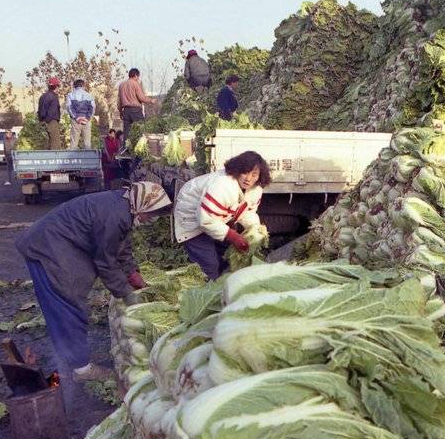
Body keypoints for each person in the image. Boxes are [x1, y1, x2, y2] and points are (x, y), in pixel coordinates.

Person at [15, 182, 171, 381]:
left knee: (69, 303)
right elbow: (105, 261)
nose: (151, 219)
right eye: (151, 214)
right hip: (48, 249)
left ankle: (74, 357)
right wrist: (127, 294)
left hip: (58, 243)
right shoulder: (116, 214)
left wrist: (132, 273)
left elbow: (120, 245)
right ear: (142, 205)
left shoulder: (124, 205)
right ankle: (82, 369)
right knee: (66, 304)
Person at [174, 150, 271, 280]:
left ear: (260, 176)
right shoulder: (223, 185)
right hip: (192, 217)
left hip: (213, 216)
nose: (249, 179)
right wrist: (232, 235)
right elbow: (206, 220)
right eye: (245, 172)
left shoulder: (256, 189)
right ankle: (206, 292)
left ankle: (221, 283)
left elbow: (247, 212)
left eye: (254, 174)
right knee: (208, 265)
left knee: (225, 254)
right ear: (237, 169)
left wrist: (255, 229)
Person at [118, 68, 153, 145]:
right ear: (135, 75)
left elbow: (119, 101)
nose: (138, 79)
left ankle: (126, 150)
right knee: (140, 130)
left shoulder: (121, 85)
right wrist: (151, 100)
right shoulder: (135, 83)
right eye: (138, 77)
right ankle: (140, 149)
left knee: (126, 132)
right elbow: (141, 98)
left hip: (126, 111)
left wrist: (120, 111)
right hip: (135, 110)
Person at [66, 79, 95, 149]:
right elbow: (93, 108)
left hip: (75, 121)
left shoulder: (70, 95)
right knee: (87, 143)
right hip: (86, 121)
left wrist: (76, 117)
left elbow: (69, 107)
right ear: (83, 85)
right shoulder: (89, 95)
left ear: (74, 86)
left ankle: (72, 159)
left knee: (74, 142)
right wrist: (87, 118)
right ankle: (88, 159)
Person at [37, 77, 62, 150]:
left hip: (42, 121)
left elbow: (39, 109)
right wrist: (48, 120)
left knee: (47, 142)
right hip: (52, 121)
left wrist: (42, 121)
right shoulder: (54, 97)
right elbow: (52, 111)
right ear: (56, 87)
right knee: (55, 144)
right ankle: (55, 159)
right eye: (58, 86)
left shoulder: (43, 96)